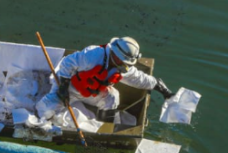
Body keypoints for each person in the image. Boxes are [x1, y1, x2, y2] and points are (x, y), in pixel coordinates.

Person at [35, 37, 174, 121]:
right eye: (124, 62)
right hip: (69, 87)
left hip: (90, 93)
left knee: (113, 97)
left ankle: (102, 127)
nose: (126, 67)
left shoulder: (122, 67)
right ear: (116, 55)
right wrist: (63, 88)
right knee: (43, 109)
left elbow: (139, 79)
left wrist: (161, 88)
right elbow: (67, 64)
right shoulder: (93, 55)